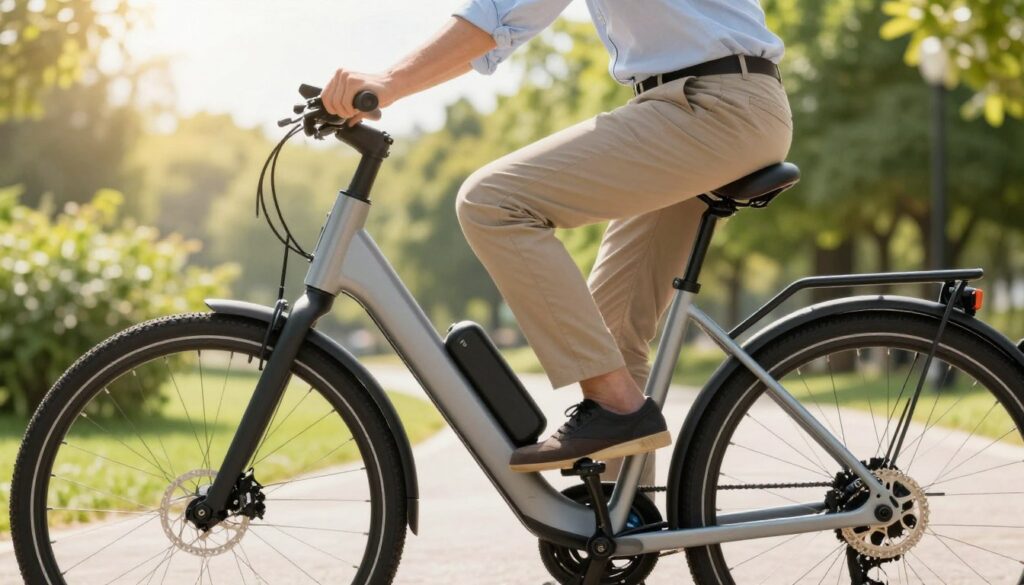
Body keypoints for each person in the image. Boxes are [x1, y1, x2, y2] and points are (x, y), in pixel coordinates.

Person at [322, 1, 792, 473]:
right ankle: (622, 525)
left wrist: (390, 82)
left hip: (710, 106)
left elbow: (500, 14)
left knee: (491, 202)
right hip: (706, 104)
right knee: (611, 337)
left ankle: (616, 406)